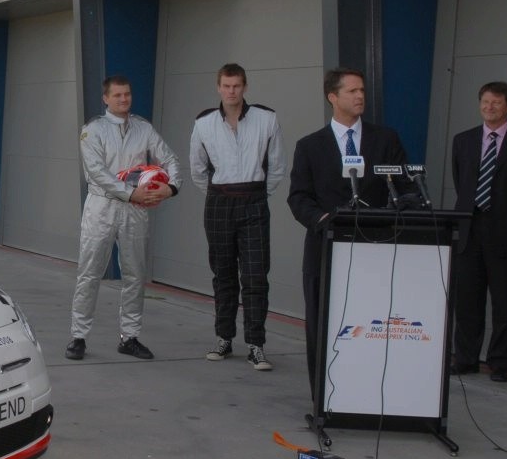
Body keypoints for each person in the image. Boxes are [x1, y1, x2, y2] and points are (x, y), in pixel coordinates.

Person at [287, 68, 407, 397]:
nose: (360, 96)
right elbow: (298, 197)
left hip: (375, 250)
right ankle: (324, 399)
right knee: (323, 325)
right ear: (332, 97)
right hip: (325, 250)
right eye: (352, 91)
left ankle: (366, 394)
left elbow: (404, 187)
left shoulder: (386, 140)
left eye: (362, 90)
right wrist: (322, 218)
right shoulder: (310, 146)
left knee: (370, 325)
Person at [66, 76, 181, 361]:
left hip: (135, 210)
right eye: (117, 95)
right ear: (105, 98)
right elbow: (97, 172)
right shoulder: (92, 130)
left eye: (127, 94)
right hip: (101, 206)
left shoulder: (144, 128)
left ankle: (129, 337)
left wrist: (171, 187)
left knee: (135, 274)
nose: (123, 99)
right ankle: (78, 337)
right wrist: (131, 193)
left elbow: (170, 159)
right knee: (89, 272)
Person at [189, 63, 287, 371]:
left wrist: (258, 195)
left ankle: (256, 345)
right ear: (218, 87)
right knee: (224, 274)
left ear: (245, 87)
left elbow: (277, 166)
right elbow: (197, 169)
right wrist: (219, 194)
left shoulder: (266, 119)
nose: (231, 91)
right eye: (226, 86)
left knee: (256, 275)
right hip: (219, 201)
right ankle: (224, 338)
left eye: (237, 86)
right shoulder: (204, 123)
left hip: (254, 199)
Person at [450, 81, 507, 383]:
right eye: (485, 102)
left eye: (496, 102)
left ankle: (499, 364)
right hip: (470, 229)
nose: (489, 107)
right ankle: (466, 359)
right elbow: (461, 181)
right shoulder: (463, 140)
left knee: (504, 304)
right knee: (467, 302)